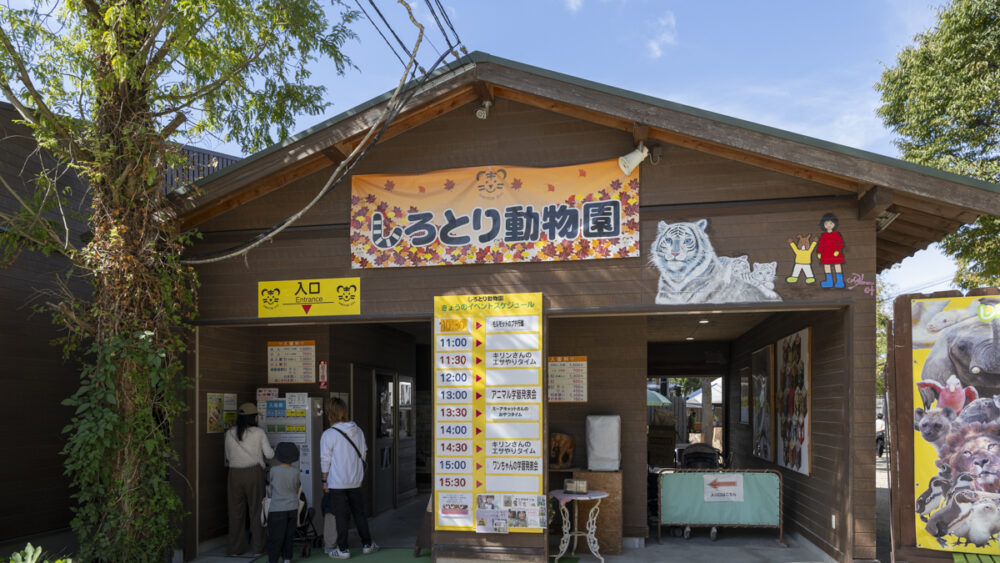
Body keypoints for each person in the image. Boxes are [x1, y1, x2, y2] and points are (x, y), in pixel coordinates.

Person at [321, 398, 379, 559]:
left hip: (336, 481)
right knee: (359, 512)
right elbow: (363, 454)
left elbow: (325, 459)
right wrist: (360, 476)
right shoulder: (358, 431)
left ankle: (343, 549)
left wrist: (324, 481)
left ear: (330, 413)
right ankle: (367, 544)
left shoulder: (328, 434)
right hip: (355, 479)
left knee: (340, 515)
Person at [224, 402, 274, 556]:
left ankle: (235, 549)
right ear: (253, 417)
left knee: (235, 511)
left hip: (234, 475)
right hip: (254, 473)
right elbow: (270, 455)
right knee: (257, 510)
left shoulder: (229, 433)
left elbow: (227, 456)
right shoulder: (258, 433)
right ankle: (258, 549)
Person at [267, 442, 302, 563]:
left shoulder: (273, 471)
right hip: (292, 508)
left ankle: (273, 560)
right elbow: (297, 488)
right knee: (288, 536)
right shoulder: (296, 471)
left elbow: (271, 488)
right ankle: (287, 559)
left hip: (277, 508)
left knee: (275, 538)